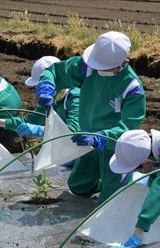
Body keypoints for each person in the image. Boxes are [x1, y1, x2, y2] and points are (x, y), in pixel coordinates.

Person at [36, 31, 146, 203]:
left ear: (124, 63)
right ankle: (101, 180)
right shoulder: (87, 67)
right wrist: (47, 84)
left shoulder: (132, 88)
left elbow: (127, 128)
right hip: (86, 137)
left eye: (105, 68)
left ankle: (124, 179)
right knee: (78, 187)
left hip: (113, 146)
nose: (98, 70)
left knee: (110, 202)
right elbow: (55, 71)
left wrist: (100, 138)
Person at [0, 56, 80, 137]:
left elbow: (72, 132)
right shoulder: (50, 99)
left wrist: (40, 130)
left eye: (39, 85)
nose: (37, 90)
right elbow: (31, 121)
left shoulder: (74, 97)